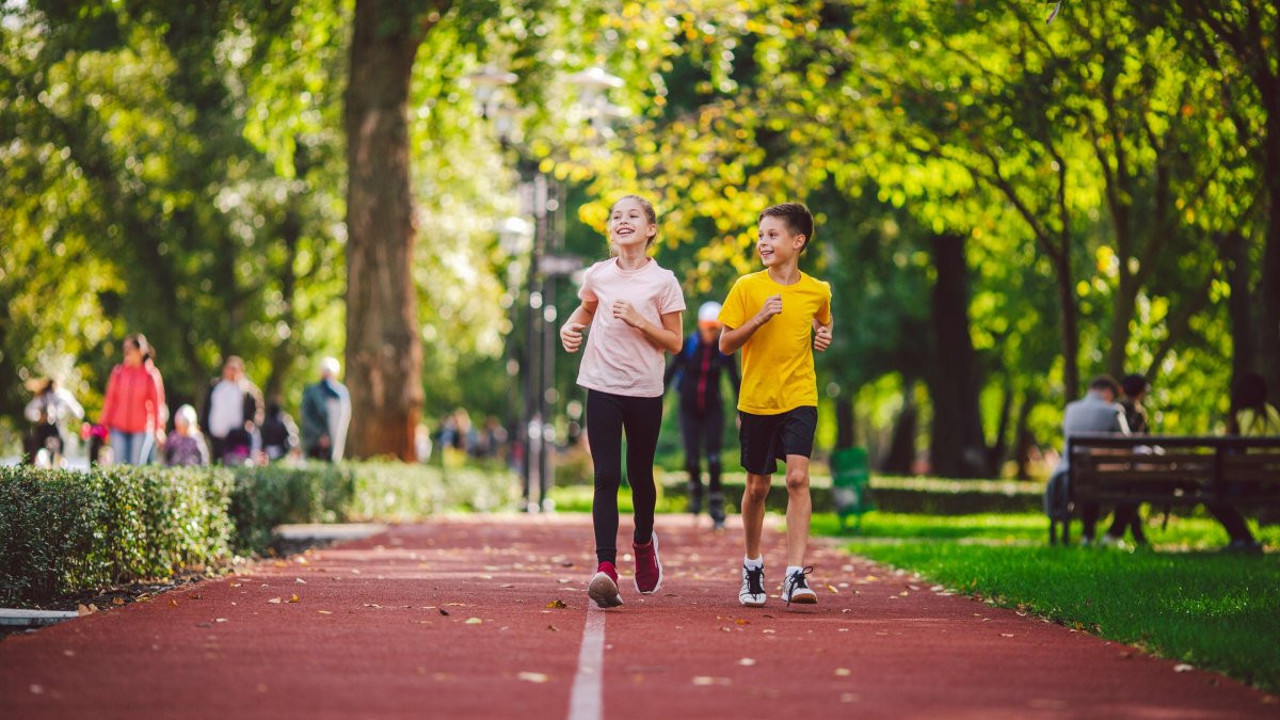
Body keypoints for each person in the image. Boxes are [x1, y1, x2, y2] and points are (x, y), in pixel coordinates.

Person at [560, 194, 685, 609]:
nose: (623, 221)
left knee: (641, 478)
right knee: (606, 476)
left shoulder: (663, 281)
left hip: (644, 390)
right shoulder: (598, 274)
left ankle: (644, 543)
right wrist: (570, 326)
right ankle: (606, 568)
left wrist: (638, 320)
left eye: (633, 216)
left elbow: (675, 342)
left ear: (650, 229)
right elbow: (587, 309)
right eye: (616, 216)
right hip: (601, 384)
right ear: (611, 230)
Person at [718, 202, 833, 608]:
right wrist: (758, 320)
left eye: (772, 235)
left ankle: (795, 575)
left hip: (800, 396)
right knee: (757, 486)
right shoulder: (747, 287)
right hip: (757, 399)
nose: (763, 242)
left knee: (798, 479)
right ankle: (752, 565)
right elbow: (726, 343)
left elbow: (822, 319)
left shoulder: (818, 289)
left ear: (798, 241)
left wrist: (823, 334)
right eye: (761, 235)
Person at [664, 300, 741, 529]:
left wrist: (742, 410)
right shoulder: (689, 344)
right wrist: (657, 399)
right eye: (708, 327)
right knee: (691, 458)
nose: (712, 332)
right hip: (688, 408)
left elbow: (735, 379)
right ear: (700, 325)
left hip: (712, 409)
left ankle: (716, 506)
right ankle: (695, 489)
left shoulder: (723, 349)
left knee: (714, 457)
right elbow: (670, 372)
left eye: (715, 328)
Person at [1048, 375, 1131, 545]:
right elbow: (1127, 445)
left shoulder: (1071, 409)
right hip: (1105, 479)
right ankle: (1113, 535)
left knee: (1089, 480)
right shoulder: (1114, 411)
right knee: (1133, 486)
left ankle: (1088, 535)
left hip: (1071, 476)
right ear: (1107, 392)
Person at [1208, 371, 1279, 553]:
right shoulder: (1271, 413)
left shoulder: (1244, 415)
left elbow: (1249, 452)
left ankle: (1242, 538)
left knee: (1210, 492)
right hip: (1274, 480)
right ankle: (1244, 539)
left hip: (1251, 481)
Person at [1098, 373, 1152, 546]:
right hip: (1129, 470)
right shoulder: (1139, 413)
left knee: (1131, 490)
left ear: (1122, 389)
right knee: (1134, 489)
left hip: (1108, 469)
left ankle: (1128, 534)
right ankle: (1120, 534)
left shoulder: (1112, 408)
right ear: (1142, 392)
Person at [99, 333, 166, 465]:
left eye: (130, 348)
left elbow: (158, 404)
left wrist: (159, 429)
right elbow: (110, 400)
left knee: (135, 467)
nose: (126, 352)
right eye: (125, 349)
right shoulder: (118, 373)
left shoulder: (151, 375)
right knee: (119, 467)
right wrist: (103, 425)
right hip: (118, 428)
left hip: (141, 429)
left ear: (140, 351)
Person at [200, 356, 264, 465]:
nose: (231, 372)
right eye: (229, 368)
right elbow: (206, 408)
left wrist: (252, 422)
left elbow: (258, 410)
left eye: (235, 369)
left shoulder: (247, 389)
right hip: (216, 436)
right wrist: (202, 425)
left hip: (237, 437)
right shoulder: (215, 387)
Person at [23, 378, 85, 467]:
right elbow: (79, 412)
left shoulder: (61, 395)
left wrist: (37, 417)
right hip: (46, 428)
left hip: (53, 427)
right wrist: (39, 417)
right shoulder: (57, 395)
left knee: (58, 444)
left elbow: (78, 412)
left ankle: (57, 461)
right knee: (59, 444)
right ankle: (55, 461)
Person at [300, 356, 351, 462]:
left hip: (334, 444)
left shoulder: (341, 392)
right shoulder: (312, 392)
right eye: (325, 371)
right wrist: (321, 435)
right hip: (314, 443)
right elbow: (306, 416)